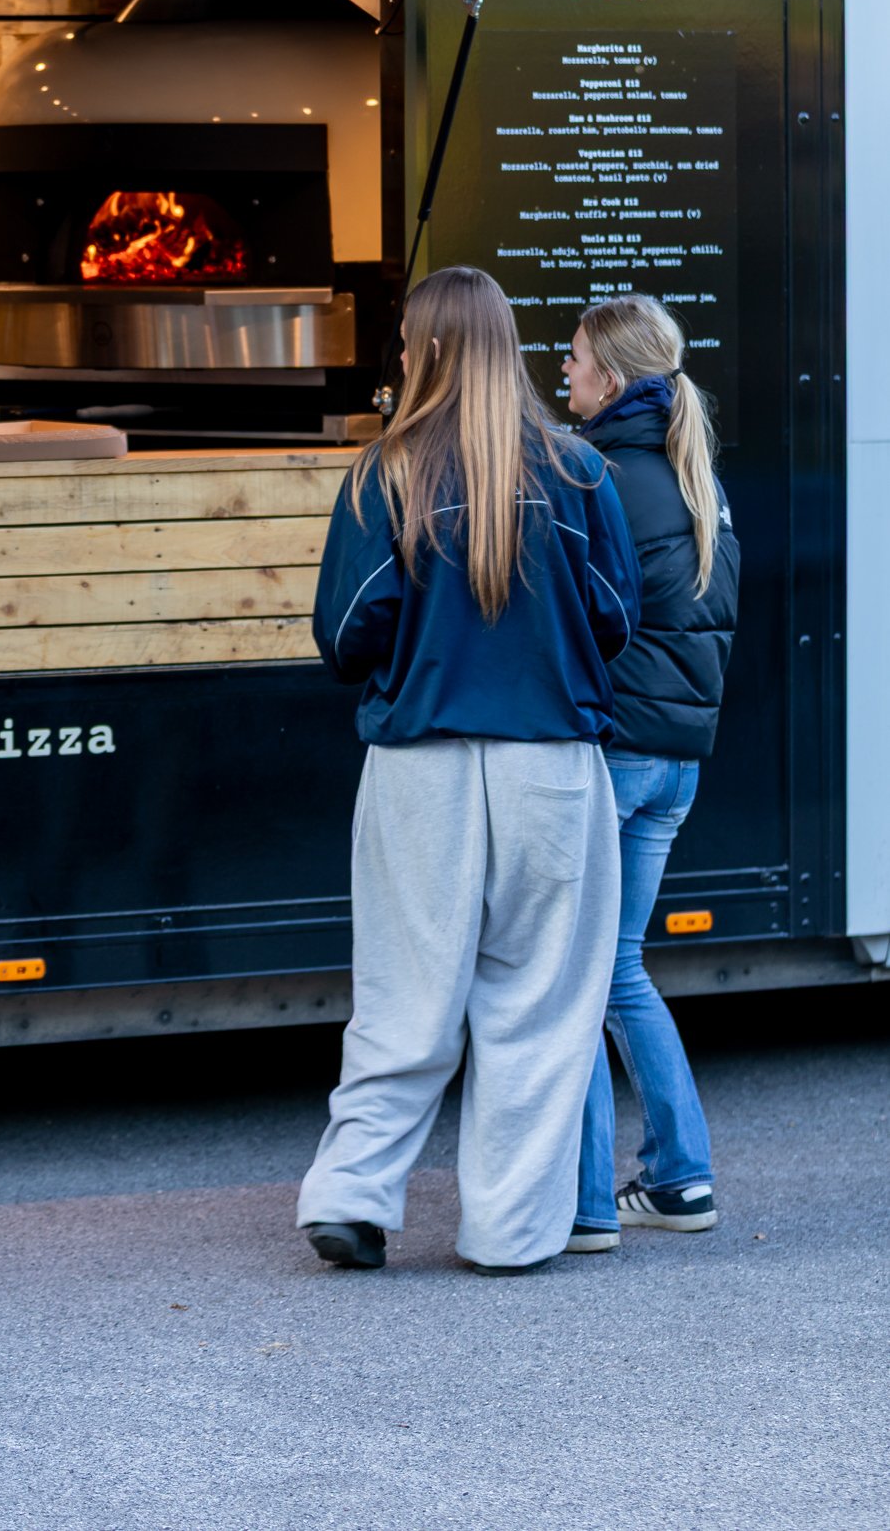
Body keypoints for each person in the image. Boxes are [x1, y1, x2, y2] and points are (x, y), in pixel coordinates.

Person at [296, 266, 641, 1275]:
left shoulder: (381, 474)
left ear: (426, 351)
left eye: (403, 343)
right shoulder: (578, 471)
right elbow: (615, 620)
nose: (398, 358)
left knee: (404, 995)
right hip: (550, 766)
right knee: (534, 1008)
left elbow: (343, 632)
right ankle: (506, 1233)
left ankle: (351, 1197)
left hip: (420, 766)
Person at [563, 296, 739, 1253]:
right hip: (677, 763)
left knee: (576, 977)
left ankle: (590, 1204)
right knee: (619, 967)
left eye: (577, 360)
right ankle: (679, 1179)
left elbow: (578, 622)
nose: (564, 375)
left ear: (615, 376)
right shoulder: (696, 477)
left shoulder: (600, 475)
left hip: (618, 754)